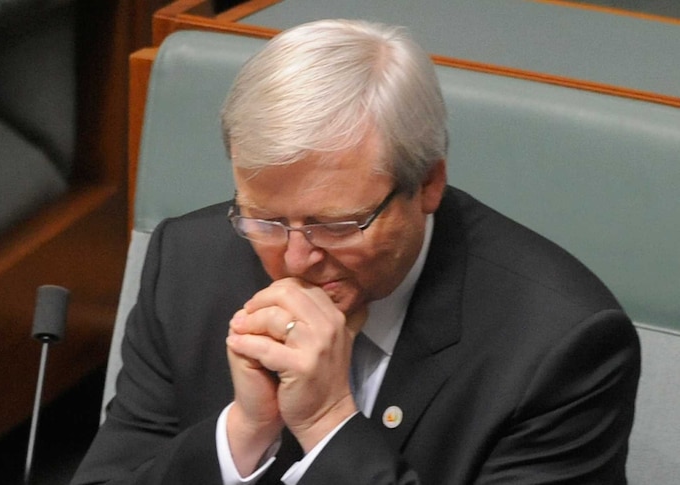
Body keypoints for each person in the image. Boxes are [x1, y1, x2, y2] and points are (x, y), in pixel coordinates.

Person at [72, 19, 640, 485]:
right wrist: (242, 432)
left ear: (428, 185)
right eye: (268, 219)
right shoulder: (188, 264)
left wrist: (327, 425)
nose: (295, 259)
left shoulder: (563, 345)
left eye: (337, 225)